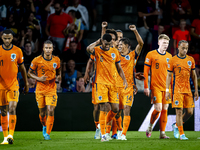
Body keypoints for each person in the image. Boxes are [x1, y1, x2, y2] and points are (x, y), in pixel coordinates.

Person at [87, 33, 128, 142]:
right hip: (100, 83)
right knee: (103, 107)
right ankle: (104, 134)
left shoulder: (114, 51)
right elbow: (88, 49)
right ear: (102, 41)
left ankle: (102, 124)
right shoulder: (97, 50)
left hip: (113, 83)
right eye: (105, 43)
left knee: (115, 109)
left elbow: (119, 67)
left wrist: (124, 80)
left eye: (109, 44)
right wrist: (97, 41)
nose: (107, 46)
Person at [28, 40, 61, 140]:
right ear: (43, 49)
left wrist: (59, 78)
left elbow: (59, 72)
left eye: (49, 48)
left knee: (50, 110)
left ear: (52, 49)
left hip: (51, 89)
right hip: (40, 89)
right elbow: (29, 73)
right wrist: (38, 78)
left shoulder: (56, 60)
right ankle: (44, 125)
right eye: (46, 48)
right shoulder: (36, 60)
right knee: (42, 113)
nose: (48, 50)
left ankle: (47, 134)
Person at [0, 29, 29, 144]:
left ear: (12, 38)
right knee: (3, 111)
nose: (7, 40)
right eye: (5, 38)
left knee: (12, 108)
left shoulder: (17, 51)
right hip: (1, 86)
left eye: (9, 38)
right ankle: (5, 137)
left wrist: (26, 83)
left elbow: (22, 68)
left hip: (13, 85)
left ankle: (11, 134)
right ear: (2, 38)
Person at [166, 40, 199, 140]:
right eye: (183, 48)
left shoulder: (190, 60)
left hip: (188, 90)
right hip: (177, 90)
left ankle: (176, 125)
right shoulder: (173, 60)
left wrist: (196, 90)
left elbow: (194, 75)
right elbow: (169, 75)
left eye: (186, 48)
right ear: (178, 47)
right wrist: (167, 90)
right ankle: (181, 134)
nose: (185, 50)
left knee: (189, 112)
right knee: (179, 112)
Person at [116, 25, 144, 140]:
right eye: (118, 45)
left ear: (127, 46)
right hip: (117, 86)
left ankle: (123, 134)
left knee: (127, 110)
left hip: (129, 88)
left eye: (121, 45)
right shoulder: (115, 55)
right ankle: (117, 130)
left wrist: (135, 31)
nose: (119, 46)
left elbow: (141, 44)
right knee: (116, 111)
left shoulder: (133, 55)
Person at [144, 34, 172, 139]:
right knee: (158, 108)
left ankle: (162, 133)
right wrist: (146, 86)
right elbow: (146, 72)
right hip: (155, 86)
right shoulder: (151, 54)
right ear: (159, 42)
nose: (166, 45)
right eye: (164, 43)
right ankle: (150, 126)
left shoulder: (170, 56)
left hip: (167, 87)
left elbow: (171, 74)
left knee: (165, 108)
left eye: (167, 43)